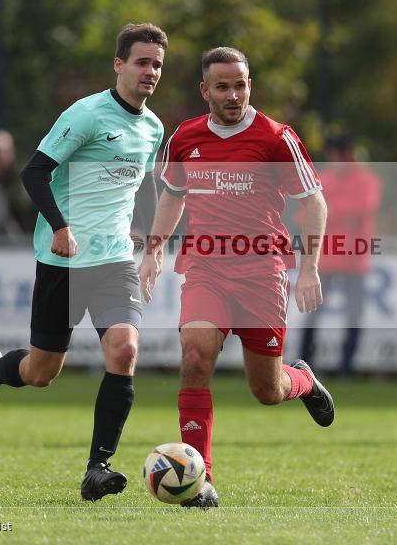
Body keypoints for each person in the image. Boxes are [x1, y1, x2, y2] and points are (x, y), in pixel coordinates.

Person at [0, 23, 167, 502]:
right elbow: (34, 172)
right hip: (63, 258)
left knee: (125, 351)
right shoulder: (86, 113)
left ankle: (98, 468)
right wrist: (60, 226)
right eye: (141, 61)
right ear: (118, 64)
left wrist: (149, 241)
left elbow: (143, 186)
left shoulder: (154, 128)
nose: (150, 72)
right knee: (42, 372)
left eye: (157, 64)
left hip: (115, 260)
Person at [138, 46, 334, 508]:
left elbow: (314, 202)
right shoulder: (185, 138)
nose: (233, 94)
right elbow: (172, 195)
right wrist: (153, 249)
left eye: (240, 85)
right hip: (205, 269)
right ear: (205, 90)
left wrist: (309, 267)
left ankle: (301, 381)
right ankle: (199, 481)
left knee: (268, 391)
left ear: (251, 85)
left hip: (262, 274)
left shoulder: (275, 138)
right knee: (195, 358)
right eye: (222, 87)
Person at [298, 135, 382, 377]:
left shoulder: (366, 181)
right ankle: (305, 363)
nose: (332, 161)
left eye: (335, 156)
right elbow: (305, 216)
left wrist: (327, 213)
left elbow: (360, 211)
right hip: (326, 258)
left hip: (354, 260)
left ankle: (346, 366)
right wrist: (333, 214)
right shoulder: (324, 179)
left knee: (353, 314)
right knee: (312, 312)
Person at [0, 128, 35, 232]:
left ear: (11, 152)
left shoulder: (24, 176)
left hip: (22, 239)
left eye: (1, 151)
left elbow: (23, 204)